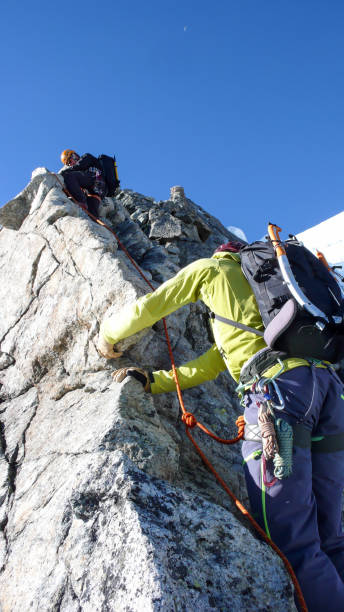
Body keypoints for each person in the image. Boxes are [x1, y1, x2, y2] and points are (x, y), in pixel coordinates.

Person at [96, 240, 344, 612]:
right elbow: (214, 362)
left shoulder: (211, 271)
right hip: (330, 392)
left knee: (293, 542)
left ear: (220, 254)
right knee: (332, 537)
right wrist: (155, 381)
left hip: (279, 397)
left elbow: (156, 303)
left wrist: (109, 335)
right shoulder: (270, 309)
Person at [60, 149, 108, 218]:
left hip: (95, 179)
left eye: (69, 161)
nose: (70, 164)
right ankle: (96, 223)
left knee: (69, 176)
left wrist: (64, 172)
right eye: (68, 164)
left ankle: (81, 201)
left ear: (74, 156)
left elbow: (80, 165)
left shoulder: (86, 157)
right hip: (97, 191)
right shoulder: (81, 171)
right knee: (91, 214)